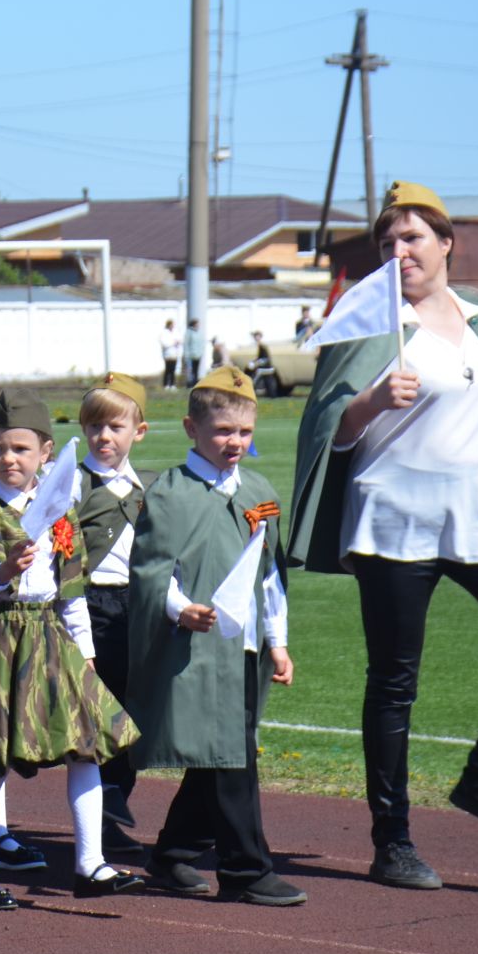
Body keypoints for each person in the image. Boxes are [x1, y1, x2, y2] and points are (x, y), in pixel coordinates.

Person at [288, 180, 478, 890]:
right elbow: (327, 427)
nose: (399, 252)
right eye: (388, 242)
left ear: (447, 243)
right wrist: (371, 401)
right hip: (393, 519)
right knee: (394, 683)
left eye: (412, 238)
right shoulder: (368, 320)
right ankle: (394, 843)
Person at [0, 387, 143, 908]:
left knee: (86, 747)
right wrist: (0, 573)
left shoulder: (59, 513)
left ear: (45, 453)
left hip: (53, 639)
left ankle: (90, 863)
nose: (7, 458)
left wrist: (87, 654)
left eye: (20, 449)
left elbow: (73, 590)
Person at [128, 366, 305, 906]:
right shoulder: (170, 494)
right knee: (233, 759)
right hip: (197, 648)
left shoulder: (258, 490)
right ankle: (246, 869)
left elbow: (268, 573)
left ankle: (173, 854)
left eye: (245, 432)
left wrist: (277, 639)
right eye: (224, 430)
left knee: (220, 754)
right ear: (192, 428)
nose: (235, 442)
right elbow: (153, 573)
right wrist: (181, 611)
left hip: (245, 648)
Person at [75, 371, 149, 857]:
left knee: (134, 711)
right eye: (95, 426)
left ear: (138, 432)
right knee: (97, 716)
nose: (105, 437)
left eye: (116, 427)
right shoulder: (74, 483)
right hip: (88, 606)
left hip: (134, 609)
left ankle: (116, 798)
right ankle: (102, 814)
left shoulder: (147, 487)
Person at [160, 320, 182, 392]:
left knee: (173, 370)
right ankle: (166, 384)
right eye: (171, 325)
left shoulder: (175, 332)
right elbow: (164, 343)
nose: (172, 326)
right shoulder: (164, 333)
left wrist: (178, 342)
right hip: (167, 354)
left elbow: (179, 340)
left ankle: (172, 384)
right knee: (168, 370)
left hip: (174, 354)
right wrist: (173, 343)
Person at [183, 319, 205, 388]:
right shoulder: (189, 332)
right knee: (190, 371)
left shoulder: (199, 333)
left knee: (196, 370)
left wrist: (201, 352)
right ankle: (190, 383)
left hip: (198, 355)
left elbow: (202, 343)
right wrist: (186, 354)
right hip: (191, 355)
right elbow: (186, 344)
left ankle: (195, 382)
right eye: (197, 324)